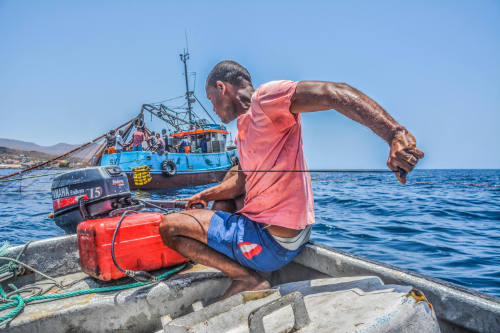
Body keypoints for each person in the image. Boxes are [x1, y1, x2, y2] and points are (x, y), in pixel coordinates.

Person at [159, 60, 424, 299]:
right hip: (294, 236)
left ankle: (247, 279)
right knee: (226, 194)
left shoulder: (265, 99)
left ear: (222, 87)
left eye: (211, 98)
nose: (212, 107)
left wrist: (395, 134)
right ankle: (243, 265)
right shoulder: (242, 128)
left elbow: (333, 93)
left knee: (169, 227)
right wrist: (205, 195)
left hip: (272, 244)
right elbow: (241, 181)